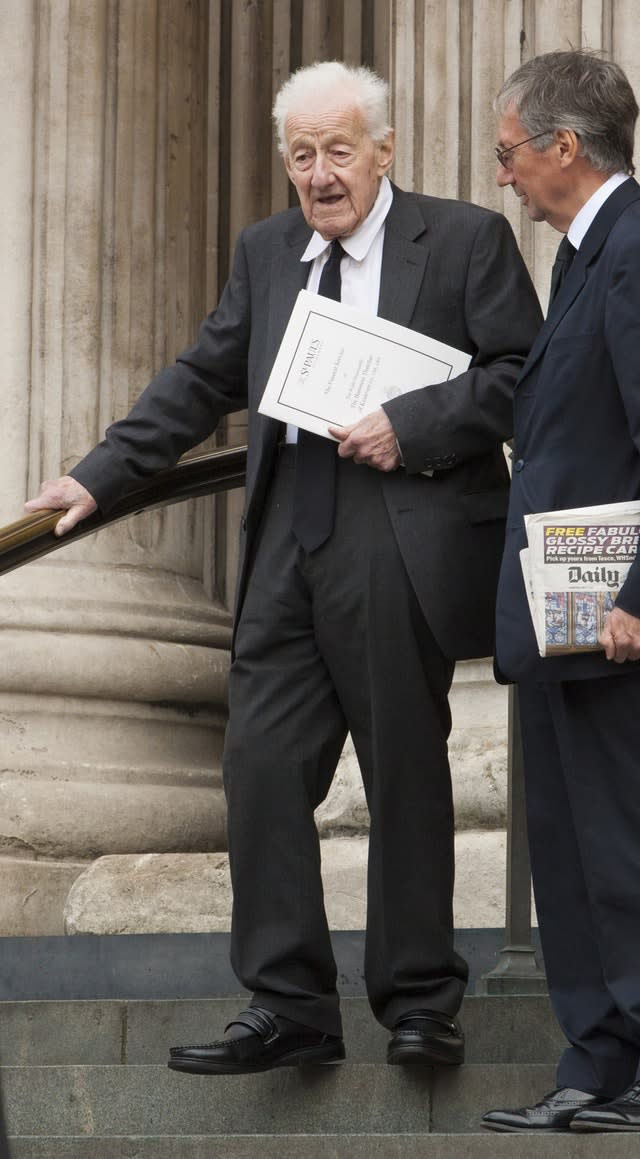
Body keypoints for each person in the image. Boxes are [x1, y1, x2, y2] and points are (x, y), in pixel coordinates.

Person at [26, 61, 541, 1075]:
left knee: (402, 772)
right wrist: (98, 477)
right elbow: (202, 375)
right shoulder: (267, 251)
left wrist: (410, 422)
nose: (318, 174)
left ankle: (419, 1002)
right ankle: (289, 1001)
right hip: (286, 554)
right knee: (257, 765)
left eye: (338, 151)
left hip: (400, 544)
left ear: (384, 151)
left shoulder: (465, 240)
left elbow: (524, 376)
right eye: (300, 155)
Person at [483, 50, 640, 1134]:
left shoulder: (632, 255)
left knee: (622, 843)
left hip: (616, 617)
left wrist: (637, 593)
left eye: (508, 155)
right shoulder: (583, 262)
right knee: (570, 843)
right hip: (560, 614)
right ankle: (596, 1063)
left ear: (562, 150)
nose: (503, 179)